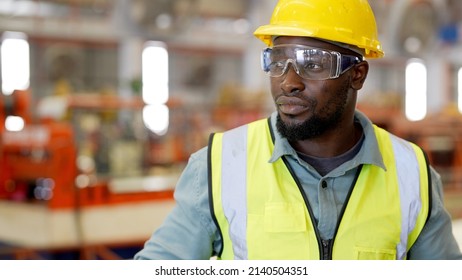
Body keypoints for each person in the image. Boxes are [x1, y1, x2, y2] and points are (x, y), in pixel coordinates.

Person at [135, 0, 462, 260]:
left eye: (314, 63)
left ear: (358, 74)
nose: (289, 81)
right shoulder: (221, 165)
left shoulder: (410, 173)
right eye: (278, 61)